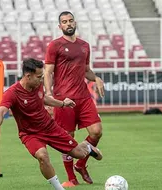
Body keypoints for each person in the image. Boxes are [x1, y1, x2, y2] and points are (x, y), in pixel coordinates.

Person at [0, 58, 102, 190]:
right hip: (30, 134)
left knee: (79, 154)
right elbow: (1, 110)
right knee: (42, 156)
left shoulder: (37, 85)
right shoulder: (12, 93)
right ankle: (59, 188)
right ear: (28, 76)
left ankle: (87, 148)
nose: (42, 79)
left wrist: (63, 103)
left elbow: (44, 98)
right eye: (39, 76)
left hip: (49, 127)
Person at [44, 11, 105, 187]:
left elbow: (86, 69)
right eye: (64, 22)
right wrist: (48, 95)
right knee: (68, 138)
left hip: (84, 96)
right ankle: (72, 179)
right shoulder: (55, 45)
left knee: (96, 131)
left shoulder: (84, 45)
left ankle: (81, 164)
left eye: (70, 21)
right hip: (64, 98)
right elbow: (48, 71)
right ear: (60, 26)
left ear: (75, 22)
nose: (68, 24)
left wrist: (96, 78)